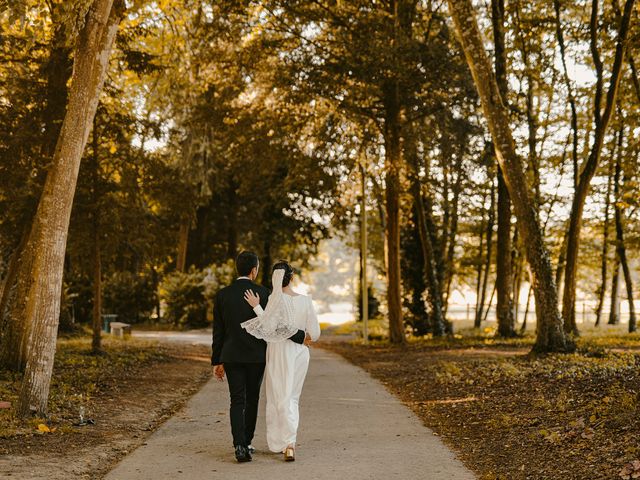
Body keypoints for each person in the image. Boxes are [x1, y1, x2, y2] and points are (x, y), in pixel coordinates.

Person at [211, 251, 309, 463]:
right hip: (256, 356)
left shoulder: (223, 295)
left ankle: (238, 445)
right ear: (254, 270)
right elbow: (275, 326)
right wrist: (301, 335)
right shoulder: (265, 294)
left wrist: (217, 361)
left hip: (231, 355)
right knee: (252, 399)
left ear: (238, 268)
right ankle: (247, 442)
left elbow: (218, 332)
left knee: (236, 400)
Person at [242, 260, 321, 462]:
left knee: (279, 395)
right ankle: (289, 443)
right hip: (300, 353)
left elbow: (268, 328)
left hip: (279, 352)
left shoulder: (275, 301)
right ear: (291, 277)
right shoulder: (306, 301)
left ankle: (285, 442)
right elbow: (316, 333)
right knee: (292, 397)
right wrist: (304, 338)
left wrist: (257, 307)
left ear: (274, 279)